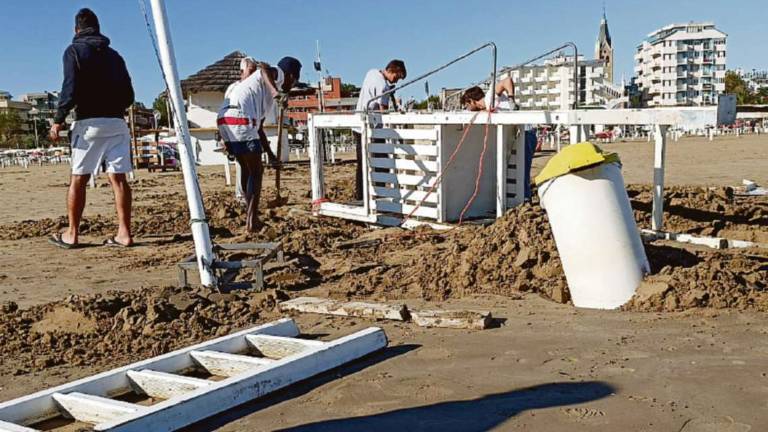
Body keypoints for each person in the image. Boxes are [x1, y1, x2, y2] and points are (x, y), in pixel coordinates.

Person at [48, 8, 135, 249]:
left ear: (76, 29)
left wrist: (58, 118)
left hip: (89, 123)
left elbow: (70, 88)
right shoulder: (115, 56)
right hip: (117, 122)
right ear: (97, 28)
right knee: (119, 179)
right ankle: (124, 233)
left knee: (79, 178)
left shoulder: (74, 51)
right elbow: (129, 94)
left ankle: (72, 233)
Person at [217, 56, 301, 232]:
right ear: (292, 77)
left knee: (247, 169)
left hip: (225, 119)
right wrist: (275, 93)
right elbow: (263, 68)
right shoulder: (278, 74)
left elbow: (259, 130)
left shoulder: (261, 97)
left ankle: (251, 216)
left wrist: (271, 156)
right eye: (293, 83)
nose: (290, 87)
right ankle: (252, 221)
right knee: (256, 171)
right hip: (239, 117)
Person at [461, 78, 537, 201]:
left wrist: (512, 99)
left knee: (522, 167)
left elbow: (506, 81)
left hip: (526, 133)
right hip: (521, 133)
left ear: (471, 101)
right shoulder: (487, 106)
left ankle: (525, 198)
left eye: (467, 105)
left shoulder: (489, 97)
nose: (467, 109)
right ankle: (521, 198)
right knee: (516, 167)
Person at [353, 60, 407, 200]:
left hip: (358, 124)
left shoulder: (371, 72)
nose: (397, 80)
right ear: (393, 71)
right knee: (382, 162)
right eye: (397, 77)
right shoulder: (383, 86)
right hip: (373, 128)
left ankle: (361, 196)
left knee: (362, 163)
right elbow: (383, 111)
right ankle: (380, 193)